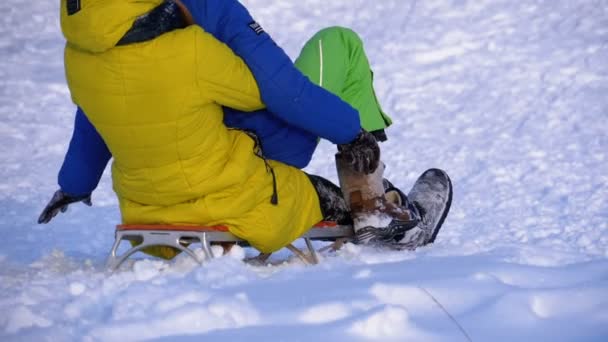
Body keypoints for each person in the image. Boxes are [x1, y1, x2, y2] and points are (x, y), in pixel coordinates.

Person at [39, 0, 446, 258]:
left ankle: (374, 193)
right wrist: (352, 132)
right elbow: (282, 93)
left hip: (149, 207)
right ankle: (376, 205)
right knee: (338, 44)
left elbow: (94, 118)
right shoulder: (200, 30)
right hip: (238, 182)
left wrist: (73, 183)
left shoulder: (81, 55)